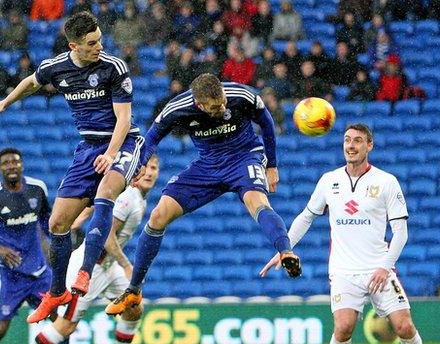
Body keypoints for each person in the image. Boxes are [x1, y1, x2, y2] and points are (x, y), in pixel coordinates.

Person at [0, 11, 144, 324]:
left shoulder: (113, 67)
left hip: (122, 144)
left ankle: (84, 272)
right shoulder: (57, 67)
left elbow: (124, 119)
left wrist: (111, 155)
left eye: (99, 39)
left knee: (107, 192)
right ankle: (57, 292)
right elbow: (31, 82)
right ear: (74, 45)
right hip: (88, 149)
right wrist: (5, 102)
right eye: (92, 43)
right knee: (57, 224)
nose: (99, 46)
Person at [104, 73, 301, 315]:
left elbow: (267, 122)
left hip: (244, 157)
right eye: (215, 107)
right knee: (157, 216)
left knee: (256, 202)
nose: (223, 107)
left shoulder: (241, 95)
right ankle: (134, 289)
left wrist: (271, 165)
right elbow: (152, 136)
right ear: (199, 105)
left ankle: (285, 251)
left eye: (223, 101)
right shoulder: (177, 108)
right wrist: (142, 161)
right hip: (208, 166)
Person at [260, 124, 423, 344]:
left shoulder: (386, 181)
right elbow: (306, 217)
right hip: (343, 271)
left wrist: (385, 267)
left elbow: (401, 232)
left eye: (357, 140)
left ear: (370, 145)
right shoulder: (329, 180)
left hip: (379, 268)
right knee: (343, 327)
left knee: (404, 326)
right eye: (347, 140)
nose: (351, 145)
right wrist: (284, 249)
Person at [24, 155, 160, 344]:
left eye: (154, 168)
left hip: (109, 265)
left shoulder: (135, 196)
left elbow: (102, 201)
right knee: (65, 326)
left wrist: (84, 214)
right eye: (146, 167)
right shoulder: (129, 197)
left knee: (134, 309)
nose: (149, 172)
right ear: (137, 169)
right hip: (91, 266)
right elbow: (106, 236)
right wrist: (127, 265)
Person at [0, 148, 67, 344]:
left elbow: (47, 221)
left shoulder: (37, 189)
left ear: (22, 165)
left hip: (39, 271)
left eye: (15, 161)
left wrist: (56, 242)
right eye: (6, 163)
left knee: (60, 324)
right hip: (9, 275)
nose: (11, 165)